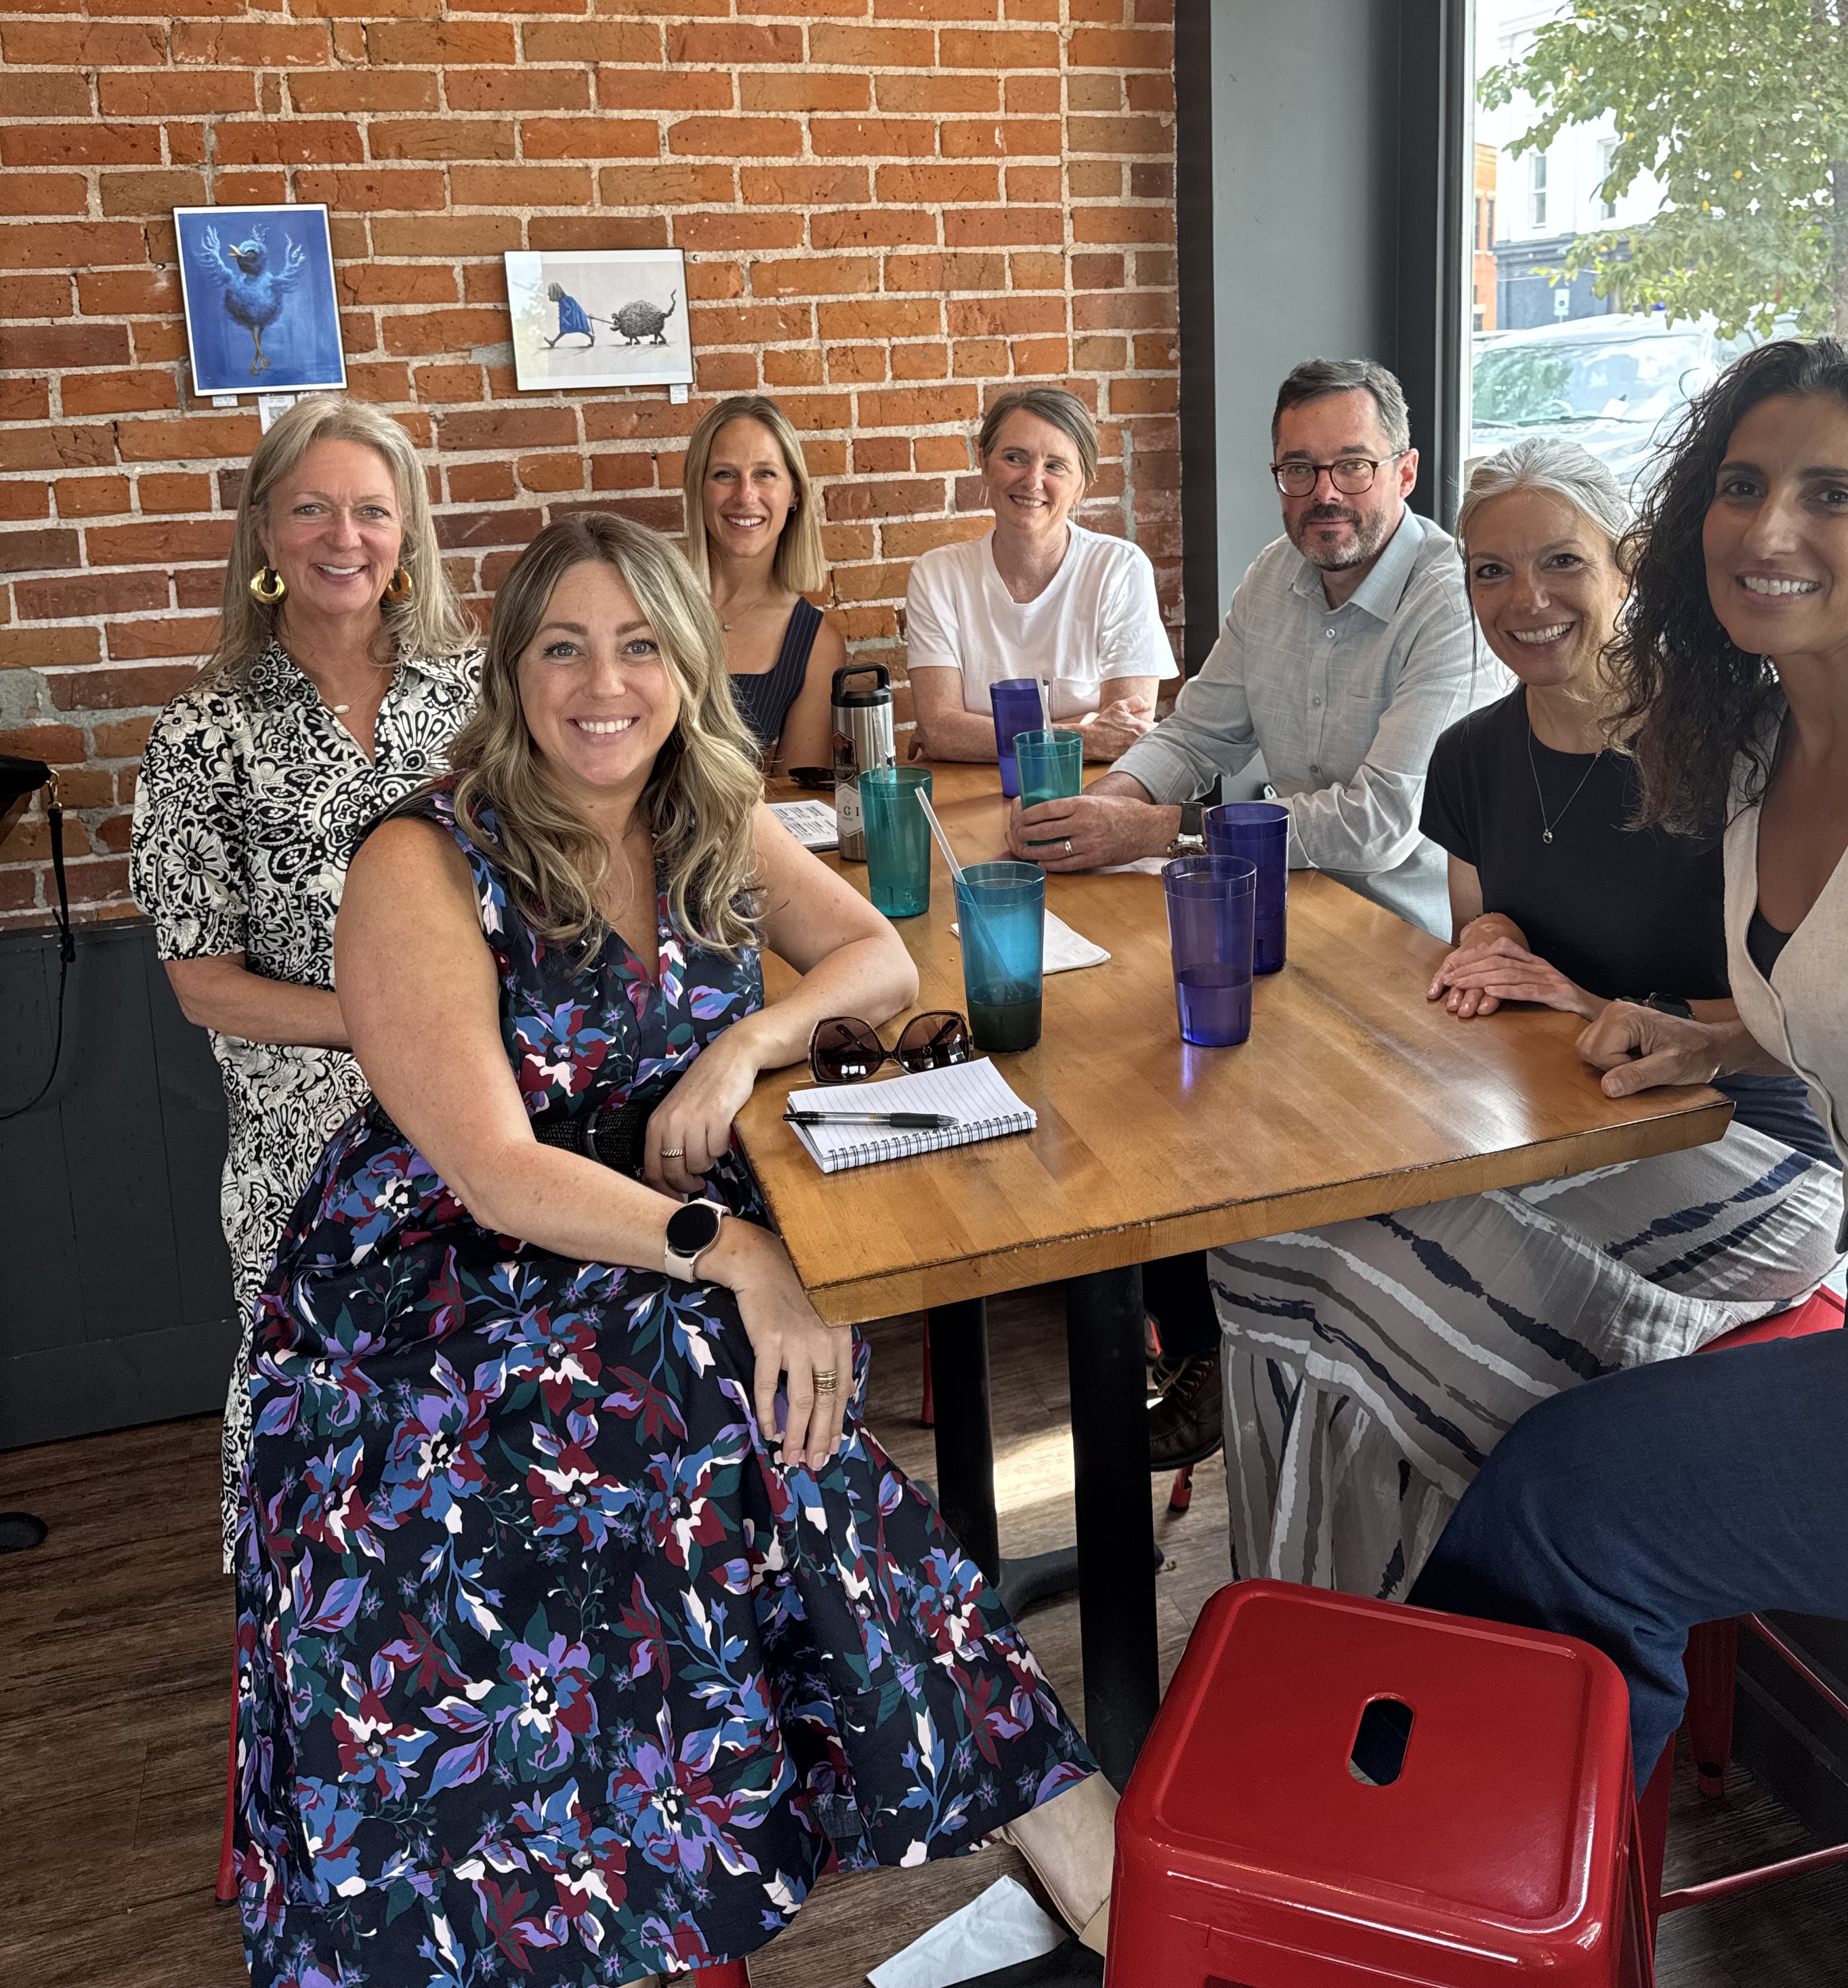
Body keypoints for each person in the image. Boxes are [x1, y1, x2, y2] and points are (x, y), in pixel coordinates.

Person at [232, 512, 1116, 1984]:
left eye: (641, 646)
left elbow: (879, 956)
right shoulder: (424, 857)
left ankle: (1010, 1837)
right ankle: (1071, 1842)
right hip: (431, 1291)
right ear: (512, 672)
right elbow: (497, 1173)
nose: (605, 685)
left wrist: (740, 1050)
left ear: (689, 667)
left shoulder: (700, 806)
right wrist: (739, 1255)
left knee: (755, 1398)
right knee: (732, 1391)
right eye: (564, 648)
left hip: (644, 1253)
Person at [1410, 340, 1848, 1988]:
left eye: (1832, 492)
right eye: (1745, 486)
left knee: (1569, 1501)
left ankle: (1456, 1932)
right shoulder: (1764, 751)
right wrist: (1711, 1042)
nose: (1772, 527)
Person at [1211, 436, 1843, 1602]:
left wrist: (1598, 1004)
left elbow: (1819, 1016)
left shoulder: (1744, 747)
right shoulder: (1472, 756)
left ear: (1628, 566)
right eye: (1490, 572)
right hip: (1561, 1128)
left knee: (1388, 1292)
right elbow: (1492, 954)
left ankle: (1435, 1619)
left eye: (1561, 562)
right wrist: (1490, 945)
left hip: (1754, 1146)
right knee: (1260, 1248)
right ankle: (1308, 1610)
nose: (1524, 600)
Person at [1009, 355, 1508, 1469]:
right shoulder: (1273, 576)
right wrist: (1105, 806)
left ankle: (1238, 1351)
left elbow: (1381, 821)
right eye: (1298, 469)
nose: (1324, 493)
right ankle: (1210, 1342)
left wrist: (1163, 831)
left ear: (1404, 472)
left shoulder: (1451, 594)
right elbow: (1197, 732)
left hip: (1413, 960)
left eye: (1350, 466)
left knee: (1181, 1092)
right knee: (1132, 1074)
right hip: (1290, 921)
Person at [129, 392, 480, 1567]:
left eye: (372, 510)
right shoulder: (202, 733)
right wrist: (383, 1027)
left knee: (485, 1392)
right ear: (265, 532)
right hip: (309, 1137)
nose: (345, 537)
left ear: (407, 531)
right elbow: (203, 983)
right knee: (323, 1409)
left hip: (484, 1106)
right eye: (313, 509)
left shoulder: (478, 696)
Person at [906, 384, 1176, 763]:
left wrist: (976, 735)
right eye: (1015, 458)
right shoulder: (938, 575)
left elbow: (1125, 733)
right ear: (984, 464)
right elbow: (940, 732)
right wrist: (1085, 735)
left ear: (1083, 484)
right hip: (967, 788)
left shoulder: (1119, 569)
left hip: (1088, 788)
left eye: (1055, 466)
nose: (1033, 481)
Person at [680, 392, 845, 770]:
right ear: (698, 489)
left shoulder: (816, 643)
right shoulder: (651, 603)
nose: (745, 495)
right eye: (724, 474)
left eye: (765, 474)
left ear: (795, 494)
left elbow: (794, 795)